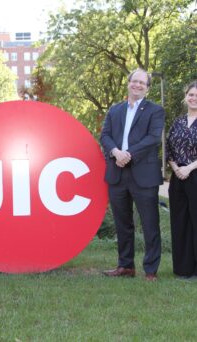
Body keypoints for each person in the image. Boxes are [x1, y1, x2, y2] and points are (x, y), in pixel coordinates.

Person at [100, 68, 165, 281]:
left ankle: (150, 270)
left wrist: (128, 153)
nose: (137, 85)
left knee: (150, 223)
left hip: (143, 174)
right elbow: (106, 135)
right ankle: (126, 266)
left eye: (142, 83)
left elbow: (153, 138)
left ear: (147, 88)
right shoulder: (115, 110)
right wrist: (115, 152)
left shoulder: (155, 110)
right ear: (128, 83)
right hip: (117, 173)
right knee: (122, 223)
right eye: (134, 81)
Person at [166, 81, 197, 280]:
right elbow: (168, 148)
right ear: (185, 97)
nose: (193, 98)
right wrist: (176, 167)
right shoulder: (177, 122)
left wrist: (189, 167)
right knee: (180, 222)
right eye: (191, 94)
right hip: (178, 178)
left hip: (195, 174)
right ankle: (183, 270)